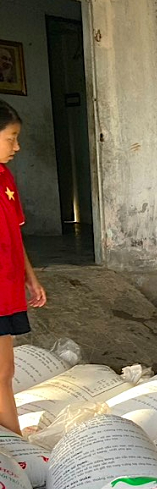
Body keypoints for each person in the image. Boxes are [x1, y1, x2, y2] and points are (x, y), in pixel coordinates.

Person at [0, 101, 47, 435]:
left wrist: (31, 278)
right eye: (10, 138)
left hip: (8, 287)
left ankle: (12, 439)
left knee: (5, 371)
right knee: (2, 372)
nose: (17, 147)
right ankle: (14, 443)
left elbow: (15, 235)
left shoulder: (6, 178)